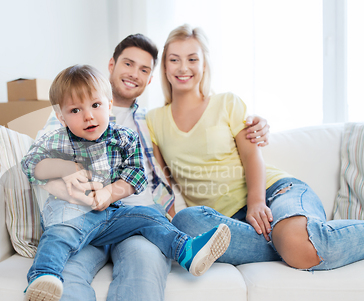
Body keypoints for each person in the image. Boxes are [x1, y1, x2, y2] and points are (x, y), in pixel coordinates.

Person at [35, 34, 271, 301]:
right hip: (84, 218)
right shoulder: (69, 112)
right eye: (128, 63)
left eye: (144, 69)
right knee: (61, 272)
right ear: (111, 65)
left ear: (149, 81)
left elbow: (200, 140)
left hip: (138, 221)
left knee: (143, 264)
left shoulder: (153, 121)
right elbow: (39, 167)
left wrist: (257, 124)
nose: (134, 73)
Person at [147, 24, 364, 271]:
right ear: (164, 66)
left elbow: (252, 155)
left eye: (192, 59)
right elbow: (161, 181)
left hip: (275, 192)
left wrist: (256, 202)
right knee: (185, 221)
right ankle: (286, 244)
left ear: (204, 64)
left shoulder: (227, 102)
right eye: (174, 59)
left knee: (298, 247)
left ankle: (291, 241)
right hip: (228, 223)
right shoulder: (154, 120)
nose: (183, 67)